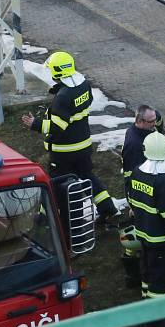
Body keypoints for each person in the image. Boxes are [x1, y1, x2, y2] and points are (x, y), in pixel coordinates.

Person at [21, 51, 117, 222]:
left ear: (57, 72)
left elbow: (58, 127)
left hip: (63, 152)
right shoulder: (84, 85)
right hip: (83, 146)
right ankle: (107, 208)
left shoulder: (63, 98)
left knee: (57, 184)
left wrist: (35, 123)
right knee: (88, 176)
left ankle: (46, 217)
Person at [128, 132, 165, 298]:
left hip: (142, 234)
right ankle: (157, 320)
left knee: (146, 270)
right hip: (160, 241)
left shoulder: (136, 172)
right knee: (160, 279)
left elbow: (133, 201)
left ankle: (146, 299)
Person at [118, 105, 160, 288]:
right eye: (151, 122)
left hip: (144, 191)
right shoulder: (135, 145)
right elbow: (130, 176)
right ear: (140, 121)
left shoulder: (141, 132)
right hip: (139, 194)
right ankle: (133, 274)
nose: (154, 124)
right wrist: (133, 204)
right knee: (138, 235)